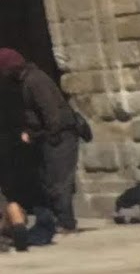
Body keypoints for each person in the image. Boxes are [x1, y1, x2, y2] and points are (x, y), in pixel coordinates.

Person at [0, 47, 80, 232]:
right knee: (49, 180)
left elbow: (51, 111)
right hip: (49, 136)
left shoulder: (35, 81)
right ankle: (58, 219)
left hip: (61, 136)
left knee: (59, 181)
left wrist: (49, 135)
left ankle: (66, 222)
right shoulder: (26, 81)